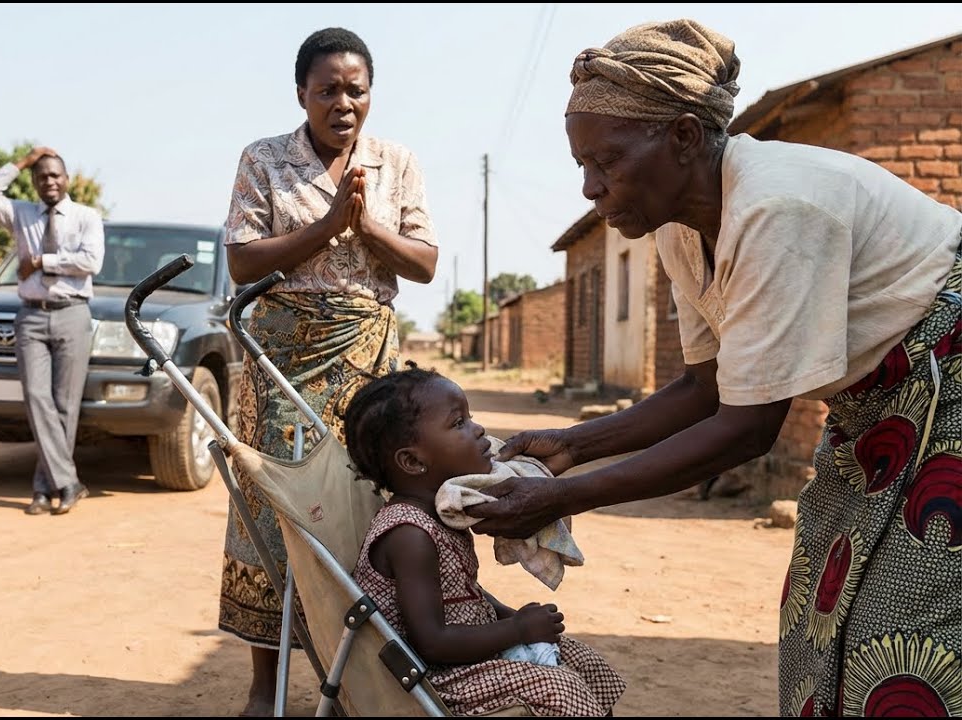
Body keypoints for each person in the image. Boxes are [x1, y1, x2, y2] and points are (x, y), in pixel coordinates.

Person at [466, 19, 962, 717]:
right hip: (873, 406)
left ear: (684, 138)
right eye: (582, 165)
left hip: (948, 385)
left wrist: (563, 498)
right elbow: (706, 386)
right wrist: (571, 448)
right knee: (820, 603)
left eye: (606, 161)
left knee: (908, 628)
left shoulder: (777, 207)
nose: (590, 188)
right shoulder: (676, 226)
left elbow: (747, 429)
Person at [218, 26, 439, 716]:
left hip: (363, 363)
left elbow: (425, 262)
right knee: (275, 503)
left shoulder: (395, 161)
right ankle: (266, 687)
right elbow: (243, 261)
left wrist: (367, 228)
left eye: (356, 90)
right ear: (302, 95)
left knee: (356, 511)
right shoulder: (263, 159)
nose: (343, 103)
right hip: (279, 357)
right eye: (328, 90)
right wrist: (325, 228)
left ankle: (349, 682)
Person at [343, 366, 626, 716]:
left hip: (467, 657)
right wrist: (516, 629)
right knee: (559, 687)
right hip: (438, 680)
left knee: (577, 656)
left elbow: (461, 589)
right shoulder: (409, 534)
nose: (478, 429)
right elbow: (432, 643)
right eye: (458, 422)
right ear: (413, 461)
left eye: (470, 417)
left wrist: (508, 615)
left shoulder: (442, 513)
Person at [0, 146, 105, 516]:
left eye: (55, 175)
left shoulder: (86, 216)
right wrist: (22, 161)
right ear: (33, 181)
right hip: (30, 317)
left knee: (65, 405)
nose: (49, 181)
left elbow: (91, 261)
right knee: (35, 397)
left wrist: (40, 261)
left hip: (73, 314)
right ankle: (69, 483)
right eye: (41, 175)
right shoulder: (20, 214)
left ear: (67, 179)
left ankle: (45, 490)